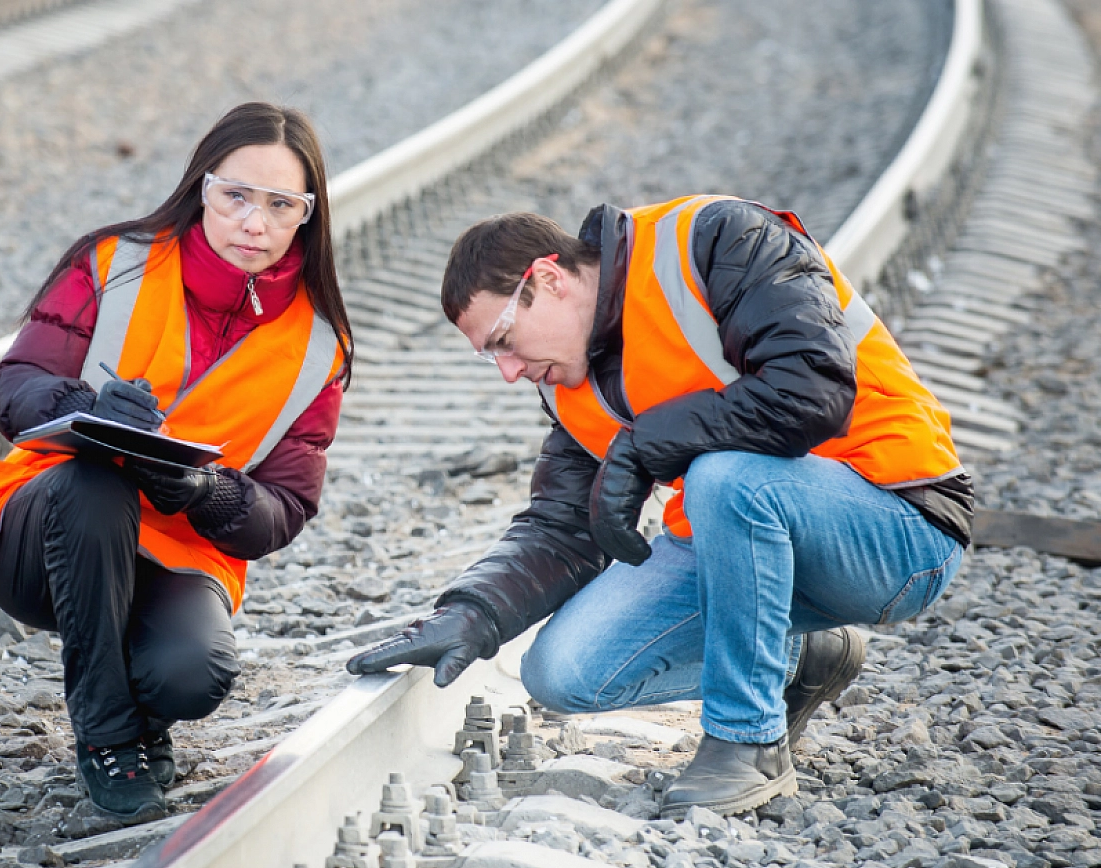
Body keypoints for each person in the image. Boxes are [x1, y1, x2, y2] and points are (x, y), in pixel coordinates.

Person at [348, 195, 971, 818]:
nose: (508, 371)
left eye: (504, 340)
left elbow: (810, 388)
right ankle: (797, 658)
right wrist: (471, 615)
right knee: (562, 673)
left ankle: (748, 743)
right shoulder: (569, 385)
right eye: (492, 355)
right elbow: (562, 528)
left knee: (724, 479)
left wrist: (648, 443)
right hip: (754, 542)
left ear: (548, 278)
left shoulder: (717, 240)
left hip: (898, 522)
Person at [0, 103, 354, 824]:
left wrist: (207, 491)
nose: (253, 223)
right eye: (237, 197)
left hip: (176, 554)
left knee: (193, 674)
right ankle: (106, 735)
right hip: (43, 531)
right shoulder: (114, 262)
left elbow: (284, 507)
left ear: (306, 218)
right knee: (97, 482)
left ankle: (141, 711)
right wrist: (89, 406)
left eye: (280, 205)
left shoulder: (319, 345)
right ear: (203, 188)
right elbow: (16, 385)